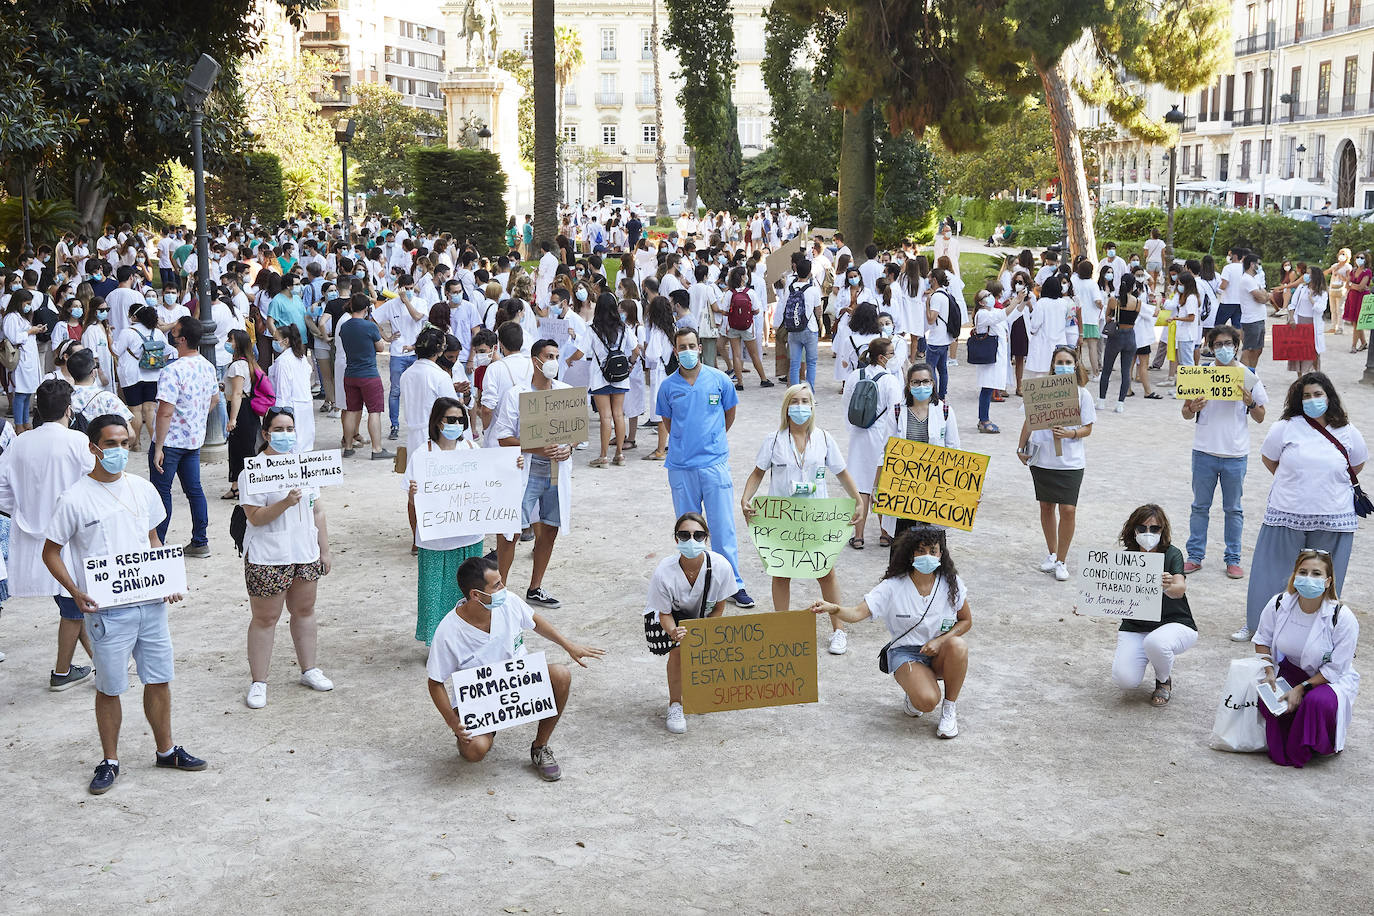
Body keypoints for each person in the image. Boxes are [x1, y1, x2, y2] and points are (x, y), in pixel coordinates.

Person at [43, 414, 207, 795]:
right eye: (111, 443)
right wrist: (74, 590)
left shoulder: (142, 489)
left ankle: (166, 749)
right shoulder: (74, 499)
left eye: (124, 442)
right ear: (93, 448)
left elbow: (151, 538)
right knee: (110, 686)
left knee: (160, 678)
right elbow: (51, 552)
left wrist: (165, 579)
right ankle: (110, 759)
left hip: (150, 604)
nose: (119, 450)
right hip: (107, 611)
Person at [424, 555, 604, 781]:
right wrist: (453, 722)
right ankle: (480, 732)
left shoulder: (508, 601)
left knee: (561, 674)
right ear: (475, 595)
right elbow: (435, 683)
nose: (504, 587)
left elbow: (535, 620)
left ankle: (540, 747)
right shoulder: (449, 631)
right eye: (497, 584)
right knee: (475, 751)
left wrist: (568, 645)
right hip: (480, 701)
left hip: (521, 684)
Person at [1238, 372, 1365, 642]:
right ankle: (1260, 627)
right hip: (1287, 512)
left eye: (1318, 394)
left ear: (1329, 397)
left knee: (1321, 577)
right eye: (1306, 395)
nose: (1312, 400)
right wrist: (1297, 482)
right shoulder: (1285, 426)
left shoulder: (1348, 430)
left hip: (1333, 516)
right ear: (1298, 399)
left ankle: (1318, 630)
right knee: (1272, 572)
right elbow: (1269, 459)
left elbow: (1356, 464)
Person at [810, 526, 970, 738]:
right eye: (921, 550)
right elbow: (858, 613)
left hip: (940, 651)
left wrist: (941, 641)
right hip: (906, 653)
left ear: (941, 553)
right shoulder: (893, 586)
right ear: (911, 554)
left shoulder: (951, 583)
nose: (927, 556)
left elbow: (966, 621)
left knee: (958, 645)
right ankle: (915, 692)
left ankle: (949, 709)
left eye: (933, 551)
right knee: (927, 701)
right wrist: (834, 609)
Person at [739, 385, 861, 654]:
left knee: (825, 572)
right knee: (781, 573)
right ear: (786, 407)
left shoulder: (825, 439)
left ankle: (838, 631)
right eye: (795, 401)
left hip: (816, 518)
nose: (800, 405)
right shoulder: (773, 440)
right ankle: (782, 627)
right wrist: (746, 498)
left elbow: (841, 473)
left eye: (805, 401)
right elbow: (758, 473)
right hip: (783, 520)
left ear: (813, 406)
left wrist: (859, 499)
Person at [0, 380, 96, 689]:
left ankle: (101, 661)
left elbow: (2, 490)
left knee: (72, 601)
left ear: (38, 409)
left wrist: (24, 510)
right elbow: (97, 481)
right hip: (72, 536)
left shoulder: (20, 442)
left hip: (34, 536)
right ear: (69, 409)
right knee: (73, 604)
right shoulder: (77, 441)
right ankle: (62, 672)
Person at [238, 407, 333, 709]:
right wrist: (286, 503)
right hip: (268, 554)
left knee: (304, 610)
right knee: (266, 618)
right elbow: (255, 517)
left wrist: (324, 549)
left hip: (304, 552)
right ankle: (259, 682)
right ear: (265, 434)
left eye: (290, 428)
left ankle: (309, 669)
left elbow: (317, 509)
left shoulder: (306, 465)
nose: (285, 435)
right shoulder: (252, 471)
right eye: (278, 429)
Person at [655, 328, 753, 607]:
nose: (686, 351)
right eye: (681, 347)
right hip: (682, 467)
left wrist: (714, 438)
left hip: (714, 464)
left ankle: (732, 584)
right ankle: (692, 584)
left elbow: (729, 413)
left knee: (723, 528)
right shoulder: (668, 387)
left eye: (691, 346)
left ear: (700, 347)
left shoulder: (720, 380)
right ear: (675, 351)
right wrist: (686, 443)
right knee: (689, 532)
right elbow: (668, 422)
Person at [1252, 549, 1360, 768]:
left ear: (1328, 581)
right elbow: (1262, 638)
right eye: (1303, 572)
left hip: (1328, 679)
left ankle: (1318, 745)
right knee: (1270, 699)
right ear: (1294, 575)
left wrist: (1301, 688)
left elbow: (1335, 669)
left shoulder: (1342, 617)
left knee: (1316, 702)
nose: (1308, 578)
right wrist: (1269, 672)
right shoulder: (1278, 603)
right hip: (1290, 669)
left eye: (1317, 574)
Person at [490, 339, 574, 608]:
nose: (553, 361)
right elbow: (502, 436)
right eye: (549, 355)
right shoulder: (517, 394)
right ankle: (499, 588)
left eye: (557, 355)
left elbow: (574, 435)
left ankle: (535, 587)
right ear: (535, 360)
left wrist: (568, 448)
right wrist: (536, 448)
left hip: (555, 472)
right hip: (525, 471)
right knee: (510, 530)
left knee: (550, 528)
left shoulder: (566, 392)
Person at [1180, 325, 1267, 579]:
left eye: (1228, 344)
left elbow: (1261, 416)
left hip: (1235, 454)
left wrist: (1250, 403)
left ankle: (1233, 558)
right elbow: (1185, 412)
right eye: (1218, 344)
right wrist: (1192, 407)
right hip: (1204, 451)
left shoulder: (1248, 376)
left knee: (1234, 509)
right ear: (1210, 346)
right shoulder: (1201, 374)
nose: (1224, 349)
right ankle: (1195, 556)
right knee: (1199, 507)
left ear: (1237, 346)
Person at [646, 512, 739, 734]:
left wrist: (704, 632)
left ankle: (697, 693)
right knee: (678, 651)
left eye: (698, 535)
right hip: (666, 617)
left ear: (706, 538)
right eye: (684, 535)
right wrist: (673, 632)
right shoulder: (664, 571)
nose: (691, 540)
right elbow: (664, 613)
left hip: (701, 616)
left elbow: (719, 607)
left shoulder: (721, 566)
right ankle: (675, 704)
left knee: (702, 649)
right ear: (676, 539)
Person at [407, 398, 490, 645]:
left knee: (468, 592)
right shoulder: (423, 454)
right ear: (437, 422)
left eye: (460, 420)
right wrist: (413, 497)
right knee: (435, 593)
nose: (456, 424)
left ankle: (467, 638)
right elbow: (412, 504)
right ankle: (436, 642)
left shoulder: (473, 450)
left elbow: (491, 482)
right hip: (436, 540)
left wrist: (512, 466)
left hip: (469, 536)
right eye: (450, 420)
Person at [1103, 505, 1196, 706]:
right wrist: (1086, 604)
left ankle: (1163, 680)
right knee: (1125, 680)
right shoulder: (1126, 557)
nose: (1148, 533)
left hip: (1174, 623)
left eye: (1154, 529)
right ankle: (1152, 652)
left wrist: (1167, 585)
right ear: (1133, 529)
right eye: (1142, 528)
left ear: (1162, 531)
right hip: (1135, 627)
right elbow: (1106, 591)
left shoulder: (1172, 554)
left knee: (1156, 642)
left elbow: (1180, 588)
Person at [1017, 346, 1095, 581]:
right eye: (1059, 361)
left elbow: (1088, 428)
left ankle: (1062, 560)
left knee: (1068, 509)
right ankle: (1052, 554)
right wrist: (1021, 447)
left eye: (1067, 361)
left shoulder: (1083, 394)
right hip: (1043, 458)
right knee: (1046, 506)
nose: (1063, 365)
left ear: (1075, 364)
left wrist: (1070, 434)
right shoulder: (1040, 390)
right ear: (1052, 364)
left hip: (1070, 461)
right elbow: (1030, 420)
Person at [150, 318, 218, 558]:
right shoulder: (207, 366)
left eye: (175, 330)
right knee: (194, 490)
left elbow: (165, 411)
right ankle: (200, 540)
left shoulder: (172, 370)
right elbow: (214, 399)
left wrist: (158, 446)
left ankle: (157, 543)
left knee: (161, 493)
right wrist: (196, 417)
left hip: (170, 441)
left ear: (181, 339)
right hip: (192, 439)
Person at [842, 337, 903, 550]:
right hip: (881, 436)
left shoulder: (854, 376)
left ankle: (858, 536)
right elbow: (895, 413)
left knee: (860, 488)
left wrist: (855, 430)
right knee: (881, 485)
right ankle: (885, 534)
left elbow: (846, 407)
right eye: (892, 353)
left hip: (859, 435)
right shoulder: (890, 380)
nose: (894, 356)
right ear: (881, 357)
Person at [338, 293, 393, 460]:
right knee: (374, 411)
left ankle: (348, 447)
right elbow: (380, 347)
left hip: (350, 374)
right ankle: (377, 449)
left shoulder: (344, 326)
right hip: (369, 374)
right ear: (366, 309)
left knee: (352, 410)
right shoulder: (370, 327)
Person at [586, 293, 638, 467]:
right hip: (620, 376)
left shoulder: (592, 329)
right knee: (618, 415)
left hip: (600, 377)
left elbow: (582, 351)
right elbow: (636, 350)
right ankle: (620, 454)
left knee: (605, 417)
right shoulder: (624, 328)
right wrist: (630, 364)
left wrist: (569, 360)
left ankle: (603, 456)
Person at [399, 327, 465, 460]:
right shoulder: (440, 376)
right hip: (435, 436)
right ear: (440, 351)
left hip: (413, 436)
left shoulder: (406, 375)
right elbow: (453, 409)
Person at [375, 275, 428, 441]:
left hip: (416, 352)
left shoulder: (420, 302)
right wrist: (385, 337)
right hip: (398, 353)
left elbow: (418, 317)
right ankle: (394, 425)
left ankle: (420, 423)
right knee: (395, 391)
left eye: (412, 288)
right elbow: (373, 318)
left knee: (420, 390)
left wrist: (406, 301)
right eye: (406, 288)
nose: (409, 291)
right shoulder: (391, 305)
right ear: (400, 288)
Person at [223, 329, 265, 501]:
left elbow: (237, 394)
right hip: (248, 408)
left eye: (230, 339)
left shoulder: (237, 366)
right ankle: (239, 485)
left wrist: (232, 418)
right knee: (247, 446)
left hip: (240, 409)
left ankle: (239, 486)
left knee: (239, 448)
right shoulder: (249, 363)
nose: (228, 342)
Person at [268, 323, 315, 452]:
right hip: (304, 403)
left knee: (292, 445)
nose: (274, 342)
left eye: (276, 339)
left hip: (292, 405)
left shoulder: (283, 361)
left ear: (286, 341)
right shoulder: (301, 357)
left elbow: (283, 390)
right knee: (305, 443)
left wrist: (280, 412)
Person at [778, 259, 824, 389]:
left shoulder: (789, 288)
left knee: (794, 363)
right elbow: (818, 310)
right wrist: (819, 322)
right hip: (810, 328)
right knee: (811, 363)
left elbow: (785, 307)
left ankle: (793, 393)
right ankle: (810, 393)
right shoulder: (814, 290)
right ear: (809, 272)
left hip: (793, 329)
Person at [2, 289, 43, 431]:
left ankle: (26, 422)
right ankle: (19, 424)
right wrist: (30, 331)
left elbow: (25, 333)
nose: (28, 306)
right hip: (20, 360)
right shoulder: (11, 317)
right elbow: (14, 337)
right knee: (20, 394)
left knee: (27, 394)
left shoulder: (22, 317)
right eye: (27, 303)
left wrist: (35, 329)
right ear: (19, 303)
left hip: (29, 359)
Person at [1236, 254, 1270, 368]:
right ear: (1252, 264)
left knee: (1258, 350)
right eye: (1258, 264)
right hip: (1251, 320)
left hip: (1259, 318)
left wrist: (1264, 296)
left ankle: (1252, 375)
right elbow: (1261, 297)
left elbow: (1264, 294)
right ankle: (1242, 377)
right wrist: (1264, 296)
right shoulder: (1247, 279)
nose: (1259, 266)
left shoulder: (1254, 279)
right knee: (1248, 349)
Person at [1342, 250, 1370, 353]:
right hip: (1352, 298)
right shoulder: (1353, 271)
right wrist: (1355, 286)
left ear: (1366, 260)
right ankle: (1363, 343)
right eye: (1358, 257)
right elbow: (1346, 285)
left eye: (1362, 258)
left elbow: (1361, 287)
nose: (1359, 259)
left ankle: (1353, 346)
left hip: (1361, 299)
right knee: (1355, 322)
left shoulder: (1367, 272)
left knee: (1358, 322)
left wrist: (1352, 285)